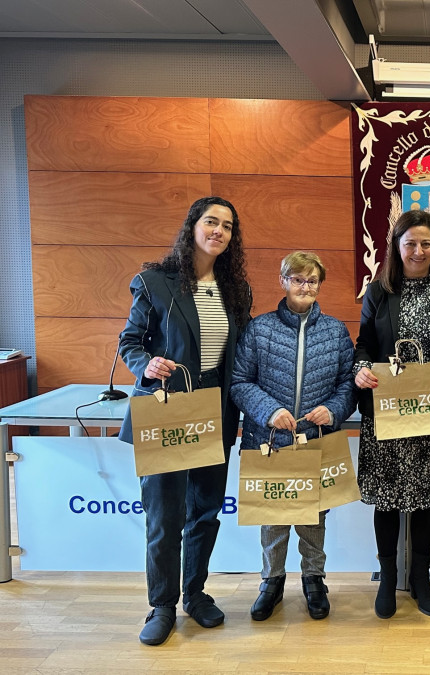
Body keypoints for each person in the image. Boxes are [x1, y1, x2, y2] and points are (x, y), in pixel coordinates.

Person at [118, 196, 252, 646]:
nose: (218, 231)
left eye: (227, 227)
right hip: (167, 407)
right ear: (193, 225)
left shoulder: (234, 290)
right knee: (164, 514)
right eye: (211, 222)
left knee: (206, 511)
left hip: (215, 406)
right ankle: (161, 605)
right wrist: (145, 364)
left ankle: (194, 593)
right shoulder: (155, 282)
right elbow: (130, 340)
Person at [231, 251, 356, 622]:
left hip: (316, 439)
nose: (305, 287)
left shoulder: (335, 332)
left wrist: (333, 410)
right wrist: (269, 410)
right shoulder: (260, 328)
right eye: (298, 279)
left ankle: (314, 580)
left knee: (314, 516)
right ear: (283, 281)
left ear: (320, 285)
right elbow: (240, 381)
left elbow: (348, 383)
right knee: (273, 516)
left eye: (312, 281)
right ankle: (271, 581)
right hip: (269, 439)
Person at [354, 209, 430, 619]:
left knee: (425, 499)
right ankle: (387, 578)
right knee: (385, 500)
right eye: (410, 244)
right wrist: (361, 369)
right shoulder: (379, 292)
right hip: (386, 412)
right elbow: (363, 345)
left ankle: (420, 578)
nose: (418, 251)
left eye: (426, 243)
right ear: (396, 247)